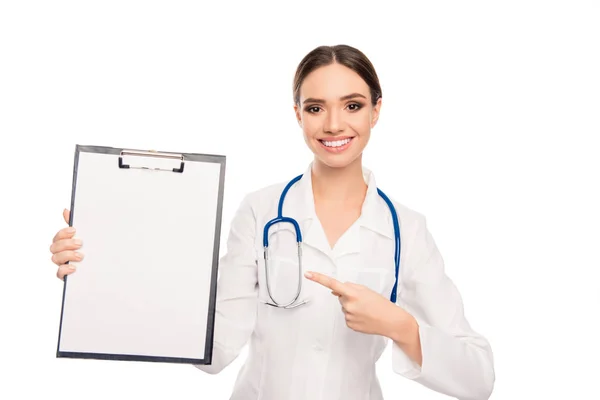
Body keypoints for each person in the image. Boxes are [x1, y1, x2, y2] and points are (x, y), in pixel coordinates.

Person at [49, 44, 495, 400]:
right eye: (316, 108)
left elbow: (479, 380)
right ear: (297, 114)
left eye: (353, 105)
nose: (334, 124)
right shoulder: (261, 211)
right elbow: (213, 351)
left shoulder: (407, 231)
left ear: (377, 110)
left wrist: (398, 324)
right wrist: (112, 258)